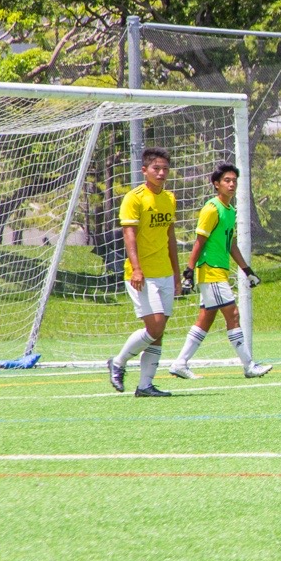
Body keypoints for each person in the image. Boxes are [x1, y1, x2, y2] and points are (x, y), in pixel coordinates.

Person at [169, 164, 271, 381]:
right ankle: (249, 365)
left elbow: (230, 244)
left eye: (234, 180)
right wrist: (189, 271)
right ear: (216, 184)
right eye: (227, 180)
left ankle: (180, 363)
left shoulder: (230, 211)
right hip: (211, 271)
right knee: (233, 315)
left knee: (205, 319)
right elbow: (199, 241)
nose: (232, 184)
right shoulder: (211, 209)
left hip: (220, 272)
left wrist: (247, 270)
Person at [106, 147, 181, 397]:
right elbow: (129, 236)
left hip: (165, 272)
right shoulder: (134, 198)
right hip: (142, 275)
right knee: (155, 327)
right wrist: (137, 269)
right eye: (156, 168)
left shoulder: (169, 198)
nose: (161, 173)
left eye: (165, 169)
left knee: (159, 332)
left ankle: (145, 385)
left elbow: (170, 237)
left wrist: (176, 274)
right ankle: (118, 362)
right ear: (144, 170)